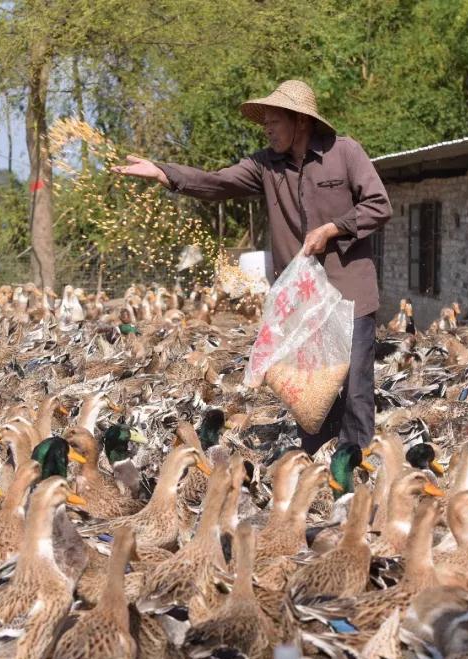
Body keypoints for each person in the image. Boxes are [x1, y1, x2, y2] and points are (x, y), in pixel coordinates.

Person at [113, 79, 391, 453]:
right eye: (265, 123)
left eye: (274, 122)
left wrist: (332, 229)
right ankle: (316, 467)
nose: (267, 129)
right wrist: (165, 173)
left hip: (349, 293)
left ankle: (357, 467)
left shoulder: (344, 153)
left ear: (301, 121)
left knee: (355, 388)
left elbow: (378, 205)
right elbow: (217, 182)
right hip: (302, 301)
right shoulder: (265, 165)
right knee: (310, 392)